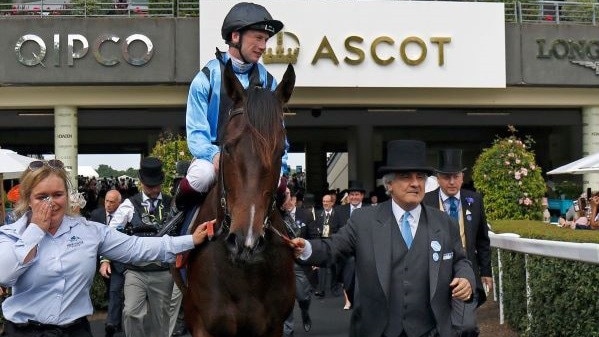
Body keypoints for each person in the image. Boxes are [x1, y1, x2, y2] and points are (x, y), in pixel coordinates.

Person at [0, 159, 210, 337]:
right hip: (22, 331)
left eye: (57, 194)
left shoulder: (89, 231)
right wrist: (36, 230)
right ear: (27, 199)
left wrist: (190, 240)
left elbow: (137, 247)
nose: (51, 203)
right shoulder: (11, 234)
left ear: (67, 195)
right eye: (41, 197)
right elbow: (5, 275)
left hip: (74, 330)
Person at [291, 140, 475, 337]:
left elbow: (460, 261)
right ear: (389, 184)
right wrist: (306, 248)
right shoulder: (364, 221)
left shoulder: (443, 222)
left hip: (431, 329)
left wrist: (465, 278)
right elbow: (334, 247)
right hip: (378, 329)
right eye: (406, 177)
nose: (415, 183)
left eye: (420, 177)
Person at [163, 1, 289, 231]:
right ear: (235, 36)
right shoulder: (205, 78)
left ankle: (290, 234)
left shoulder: (270, 82)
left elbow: (279, 132)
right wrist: (214, 156)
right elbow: (197, 134)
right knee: (200, 178)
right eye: (258, 38)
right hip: (212, 157)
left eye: (266, 40)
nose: (263, 46)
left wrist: (284, 167)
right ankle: (175, 221)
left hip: (257, 159)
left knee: (280, 187)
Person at [423, 149, 492, 336]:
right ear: (438, 178)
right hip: (433, 272)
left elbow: (482, 239)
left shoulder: (474, 200)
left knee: (466, 326)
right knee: (434, 326)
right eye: (446, 177)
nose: (451, 182)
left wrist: (486, 271)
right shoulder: (425, 201)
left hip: (465, 270)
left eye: (456, 176)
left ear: (462, 177)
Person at [108, 157, 176, 337]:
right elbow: (110, 233)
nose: (153, 189)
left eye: (156, 185)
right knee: (130, 313)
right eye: (149, 185)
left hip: (162, 271)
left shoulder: (172, 204)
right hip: (135, 271)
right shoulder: (130, 204)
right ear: (141, 182)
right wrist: (109, 258)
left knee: (161, 320)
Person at [90, 189, 125, 337]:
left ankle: (111, 323)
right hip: (100, 261)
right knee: (111, 291)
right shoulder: (96, 215)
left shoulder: (125, 216)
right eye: (106, 201)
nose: (108, 205)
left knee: (114, 291)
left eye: (112, 202)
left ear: (119, 203)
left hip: (118, 262)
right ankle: (116, 321)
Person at [281, 188, 313, 337]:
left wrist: (313, 256)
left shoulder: (305, 214)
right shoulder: (273, 215)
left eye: (287, 194)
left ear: (293, 199)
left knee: (303, 297)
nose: (283, 196)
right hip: (281, 263)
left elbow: (311, 236)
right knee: (285, 298)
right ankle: (288, 331)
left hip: (299, 263)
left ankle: (305, 312)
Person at [334, 180, 366, 310]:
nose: (354, 197)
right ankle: (349, 299)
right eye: (351, 194)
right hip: (346, 251)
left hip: (366, 250)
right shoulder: (340, 210)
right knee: (347, 278)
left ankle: (361, 300)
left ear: (362, 196)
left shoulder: (370, 210)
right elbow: (335, 230)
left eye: (357, 194)